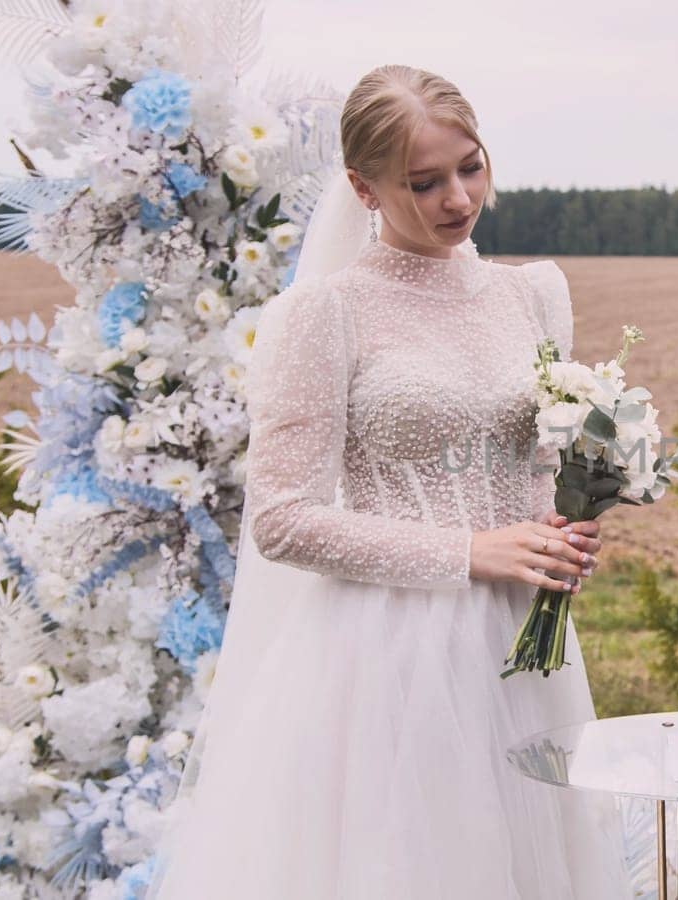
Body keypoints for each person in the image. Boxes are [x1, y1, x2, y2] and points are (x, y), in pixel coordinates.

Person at [151, 65, 626, 899]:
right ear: (362, 188)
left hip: (523, 650)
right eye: (424, 182)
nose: (457, 198)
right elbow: (283, 520)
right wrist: (469, 550)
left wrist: (567, 525)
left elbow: (538, 469)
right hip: (388, 657)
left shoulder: (532, 295)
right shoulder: (324, 312)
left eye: (470, 167)